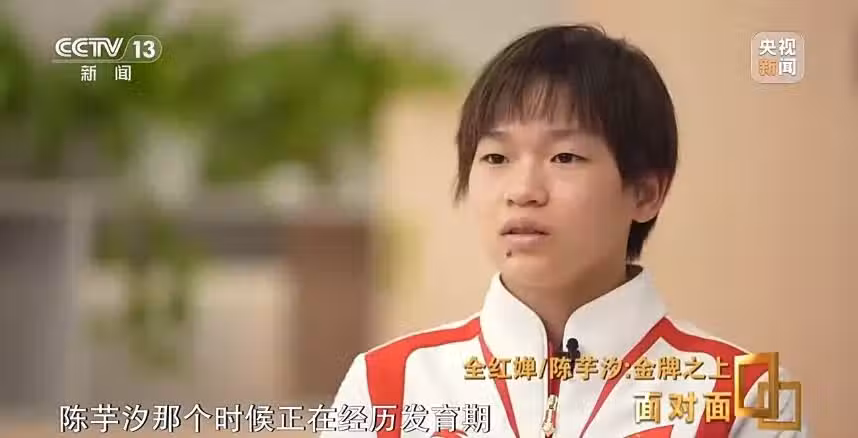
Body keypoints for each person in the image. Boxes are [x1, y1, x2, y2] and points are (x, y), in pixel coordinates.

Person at [322, 24, 807, 437]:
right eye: (496, 157)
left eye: (565, 157)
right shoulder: (387, 386)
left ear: (645, 192)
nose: (523, 191)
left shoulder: (746, 396)